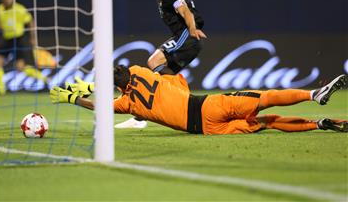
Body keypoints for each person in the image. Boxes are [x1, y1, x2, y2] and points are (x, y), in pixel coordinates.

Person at [50, 65, 348, 134]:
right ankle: (313, 94)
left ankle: (319, 124)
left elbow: (99, 107)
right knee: (265, 99)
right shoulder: (142, 71)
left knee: (267, 123)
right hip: (204, 103)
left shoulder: (128, 105)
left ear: (116, 89)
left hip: (204, 128)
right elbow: (161, 70)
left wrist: (74, 97)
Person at [117, 0, 207, 128]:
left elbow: (184, 9)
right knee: (167, 77)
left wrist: (192, 29)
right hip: (186, 36)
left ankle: (146, 115)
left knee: (154, 61)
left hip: (187, 35)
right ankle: (187, 107)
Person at [0, 0, 48, 95]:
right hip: (6, 39)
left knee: (22, 68)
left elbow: (31, 22)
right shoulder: (0, 8)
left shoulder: (19, 9)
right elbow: (0, 23)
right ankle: (1, 91)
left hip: (18, 39)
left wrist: (33, 38)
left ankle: (46, 80)